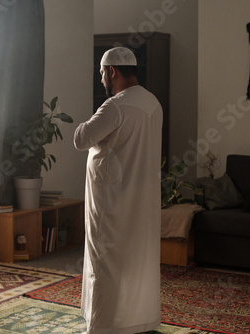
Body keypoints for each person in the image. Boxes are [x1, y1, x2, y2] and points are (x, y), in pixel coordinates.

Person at [74, 47, 163, 334]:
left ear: (112, 71)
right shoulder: (153, 103)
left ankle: (103, 325)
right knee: (138, 257)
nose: (101, 79)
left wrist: (82, 125)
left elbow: (82, 139)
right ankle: (139, 320)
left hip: (111, 199)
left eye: (101, 73)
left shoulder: (115, 106)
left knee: (106, 259)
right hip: (142, 197)